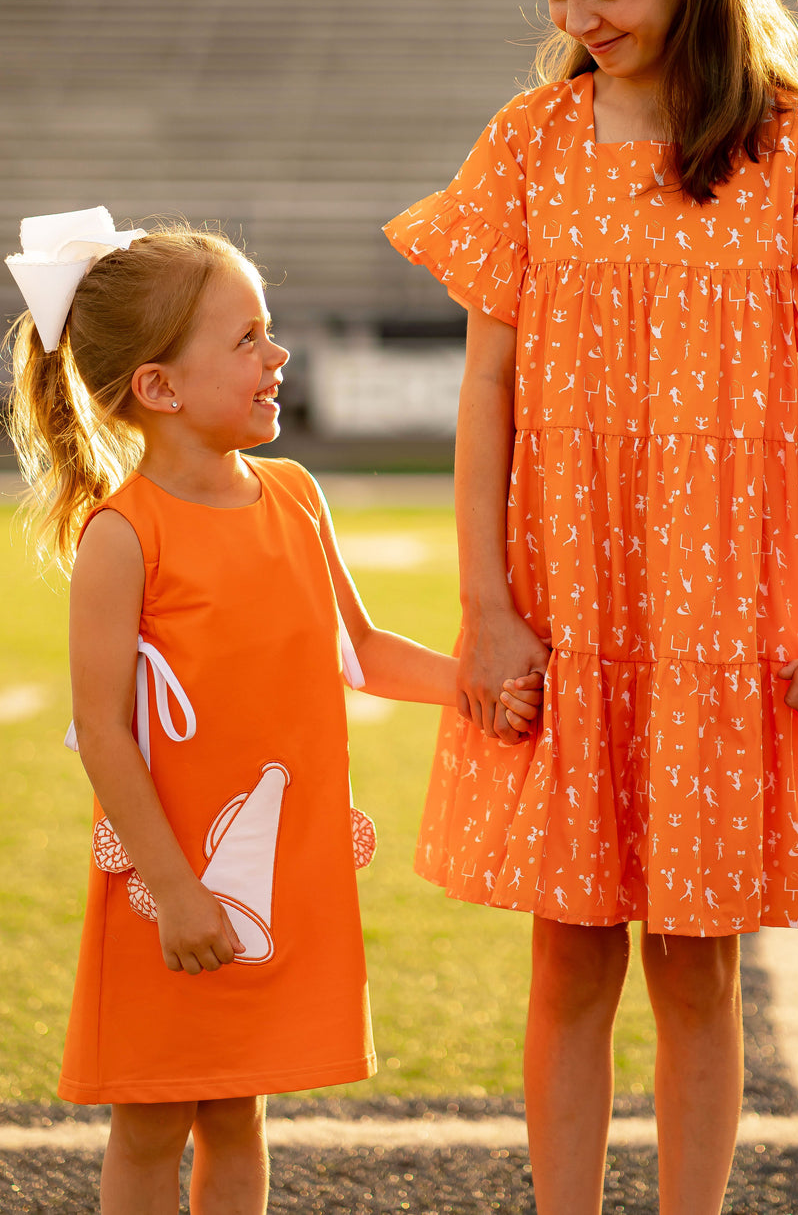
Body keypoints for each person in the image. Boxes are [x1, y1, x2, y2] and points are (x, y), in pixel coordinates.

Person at [385, 0, 798, 1215]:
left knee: (697, 961)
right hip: (563, 603)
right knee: (570, 953)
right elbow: (487, 398)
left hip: (723, 612)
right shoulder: (527, 142)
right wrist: (488, 610)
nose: (579, 12)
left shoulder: (790, 146)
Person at [3, 209, 541, 1215]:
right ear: (158, 389)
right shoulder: (124, 537)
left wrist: (481, 691)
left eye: (269, 329)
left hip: (273, 876)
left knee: (240, 1113)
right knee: (152, 1117)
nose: (277, 354)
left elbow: (365, 652)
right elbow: (106, 733)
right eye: (246, 338)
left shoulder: (295, 496)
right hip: (171, 888)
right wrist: (177, 892)